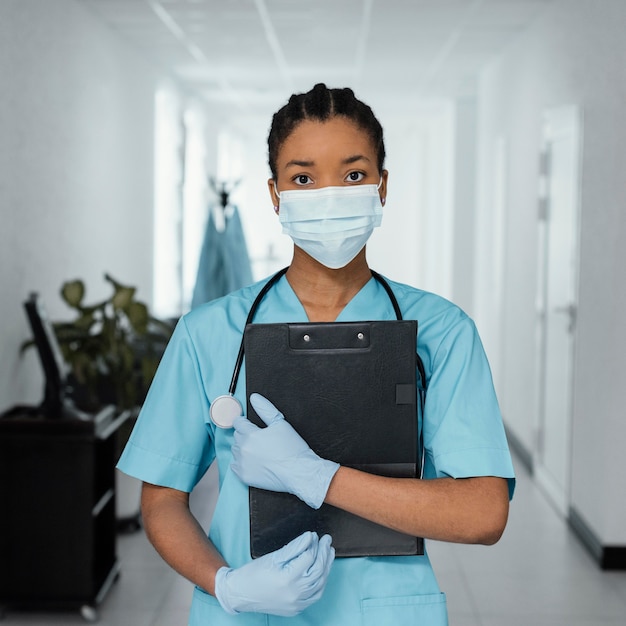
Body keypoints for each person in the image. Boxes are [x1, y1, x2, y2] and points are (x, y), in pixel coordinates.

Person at [117, 83, 515, 625]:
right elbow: (162, 500)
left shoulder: (441, 333)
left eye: (353, 175)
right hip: (248, 611)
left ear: (382, 186)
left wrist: (315, 476)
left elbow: (484, 513)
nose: (329, 194)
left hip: (382, 610)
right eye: (304, 177)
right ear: (276, 194)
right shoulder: (209, 332)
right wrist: (226, 585)